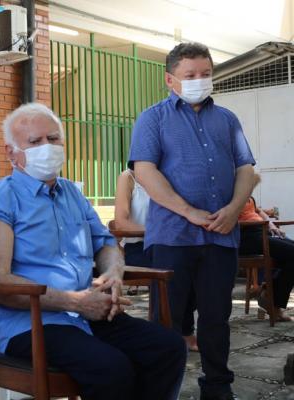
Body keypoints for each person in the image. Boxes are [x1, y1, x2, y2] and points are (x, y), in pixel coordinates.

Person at [0, 103, 187, 400]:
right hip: (32, 323)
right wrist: (76, 302)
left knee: (168, 347)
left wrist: (113, 273)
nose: (47, 147)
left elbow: (106, 244)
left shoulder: (72, 193)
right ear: (11, 153)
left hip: (87, 313)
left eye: (53, 138)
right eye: (34, 142)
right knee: (111, 368)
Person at [129, 42, 256, 400]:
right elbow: (145, 170)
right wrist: (188, 211)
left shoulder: (227, 119)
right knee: (166, 321)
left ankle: (217, 388)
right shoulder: (153, 118)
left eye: (206, 74)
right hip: (173, 235)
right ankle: (159, 389)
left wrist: (233, 209)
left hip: (221, 235)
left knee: (217, 319)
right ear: (171, 80)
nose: (199, 80)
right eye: (190, 76)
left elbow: (245, 168)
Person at [115, 169, 198, 352]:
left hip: (171, 243)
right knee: (172, 261)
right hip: (140, 247)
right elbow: (120, 222)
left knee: (193, 259)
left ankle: (181, 331)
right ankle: (168, 333)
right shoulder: (129, 178)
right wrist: (157, 233)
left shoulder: (172, 176)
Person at [239, 173, 294, 322]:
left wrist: (270, 224)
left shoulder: (249, 198)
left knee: (291, 255)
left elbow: (259, 210)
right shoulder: (231, 197)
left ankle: (269, 294)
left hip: (262, 232)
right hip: (247, 237)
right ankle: (272, 301)